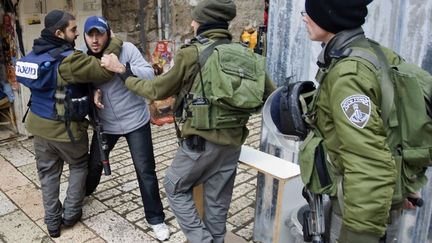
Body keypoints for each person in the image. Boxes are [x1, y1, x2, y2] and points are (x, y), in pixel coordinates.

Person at [100, 0, 275, 242]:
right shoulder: (246, 54)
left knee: (174, 185)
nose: (191, 23)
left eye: (195, 19)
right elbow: (272, 97)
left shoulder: (191, 53)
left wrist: (124, 72)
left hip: (200, 143)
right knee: (217, 202)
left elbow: (155, 90)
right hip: (233, 143)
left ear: (204, 23)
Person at [300, 1, 420, 242]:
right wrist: (406, 184)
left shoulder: (348, 74)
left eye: (310, 13)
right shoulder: (376, 53)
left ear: (331, 16)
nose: (304, 18)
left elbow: (367, 161)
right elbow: (398, 124)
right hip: (376, 199)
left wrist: (358, 235)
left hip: (356, 208)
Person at [14, 10, 123, 238]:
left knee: (48, 175)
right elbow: (103, 72)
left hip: (38, 128)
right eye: (73, 29)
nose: (76, 33)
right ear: (59, 33)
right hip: (67, 131)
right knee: (79, 166)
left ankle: (53, 224)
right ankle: (71, 214)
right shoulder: (70, 61)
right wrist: (114, 42)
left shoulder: (35, 55)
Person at [82, 16, 169, 241]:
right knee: (93, 164)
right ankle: (83, 195)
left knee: (145, 170)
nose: (94, 39)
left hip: (135, 121)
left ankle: (156, 218)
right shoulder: (85, 59)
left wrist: (121, 68)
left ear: (108, 33)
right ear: (84, 37)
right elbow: (80, 87)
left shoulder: (127, 49)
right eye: (90, 35)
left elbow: (149, 75)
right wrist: (93, 93)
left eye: (98, 33)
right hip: (106, 124)